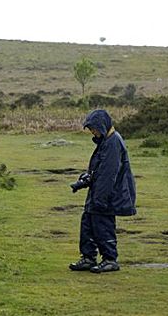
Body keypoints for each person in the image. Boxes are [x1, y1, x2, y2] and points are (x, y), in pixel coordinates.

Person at [69, 109, 137, 273]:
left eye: (94, 128)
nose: (93, 132)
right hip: (98, 193)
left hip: (107, 195)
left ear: (102, 125)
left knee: (103, 225)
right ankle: (88, 257)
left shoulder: (113, 142)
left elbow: (108, 175)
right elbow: (99, 170)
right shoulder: (106, 141)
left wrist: (100, 199)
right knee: (88, 224)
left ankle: (110, 259)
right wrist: (85, 179)